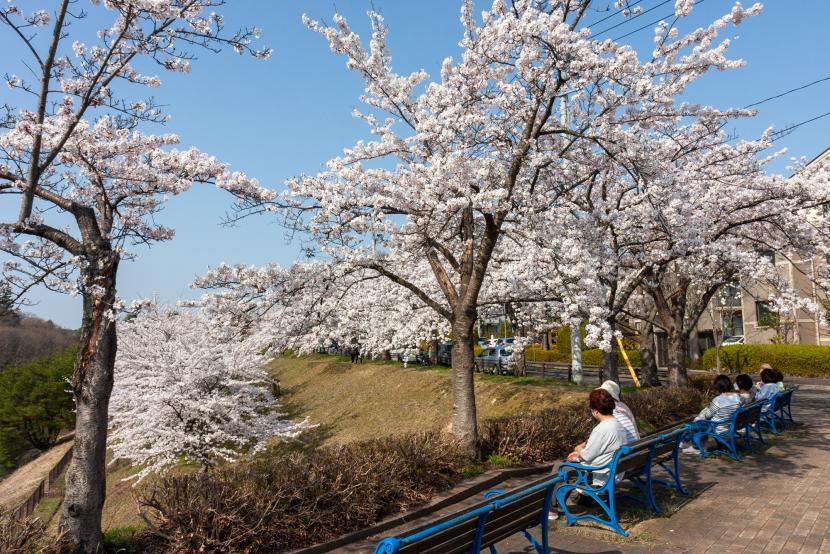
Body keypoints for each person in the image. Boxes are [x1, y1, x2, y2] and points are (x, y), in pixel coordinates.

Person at [566, 389, 629, 483]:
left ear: (595, 411)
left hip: (602, 475)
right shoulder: (618, 424)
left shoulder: (601, 429)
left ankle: (554, 497)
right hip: (616, 471)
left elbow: (586, 456)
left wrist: (578, 449)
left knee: (560, 468)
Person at [683, 375, 741, 454]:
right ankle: (702, 444)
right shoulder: (736, 397)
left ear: (718, 387)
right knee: (700, 420)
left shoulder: (718, 400)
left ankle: (696, 447)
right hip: (729, 424)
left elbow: (708, 416)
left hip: (717, 427)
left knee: (695, 423)